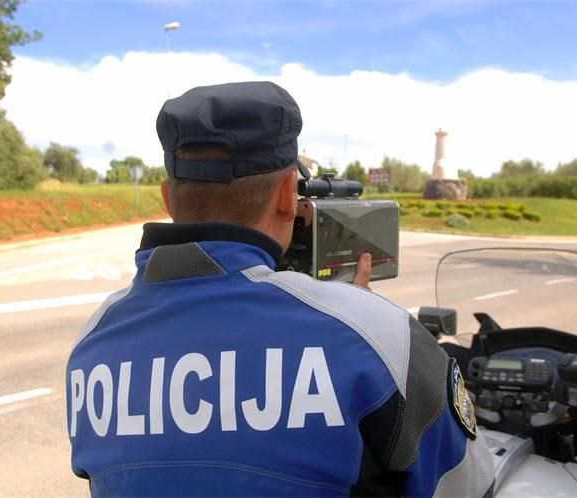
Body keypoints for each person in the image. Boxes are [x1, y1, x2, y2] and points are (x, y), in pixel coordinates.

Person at [66, 81, 494, 497]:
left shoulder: (93, 341)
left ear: (168, 198)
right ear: (289, 195)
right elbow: (468, 485)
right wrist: (356, 315)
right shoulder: (377, 337)